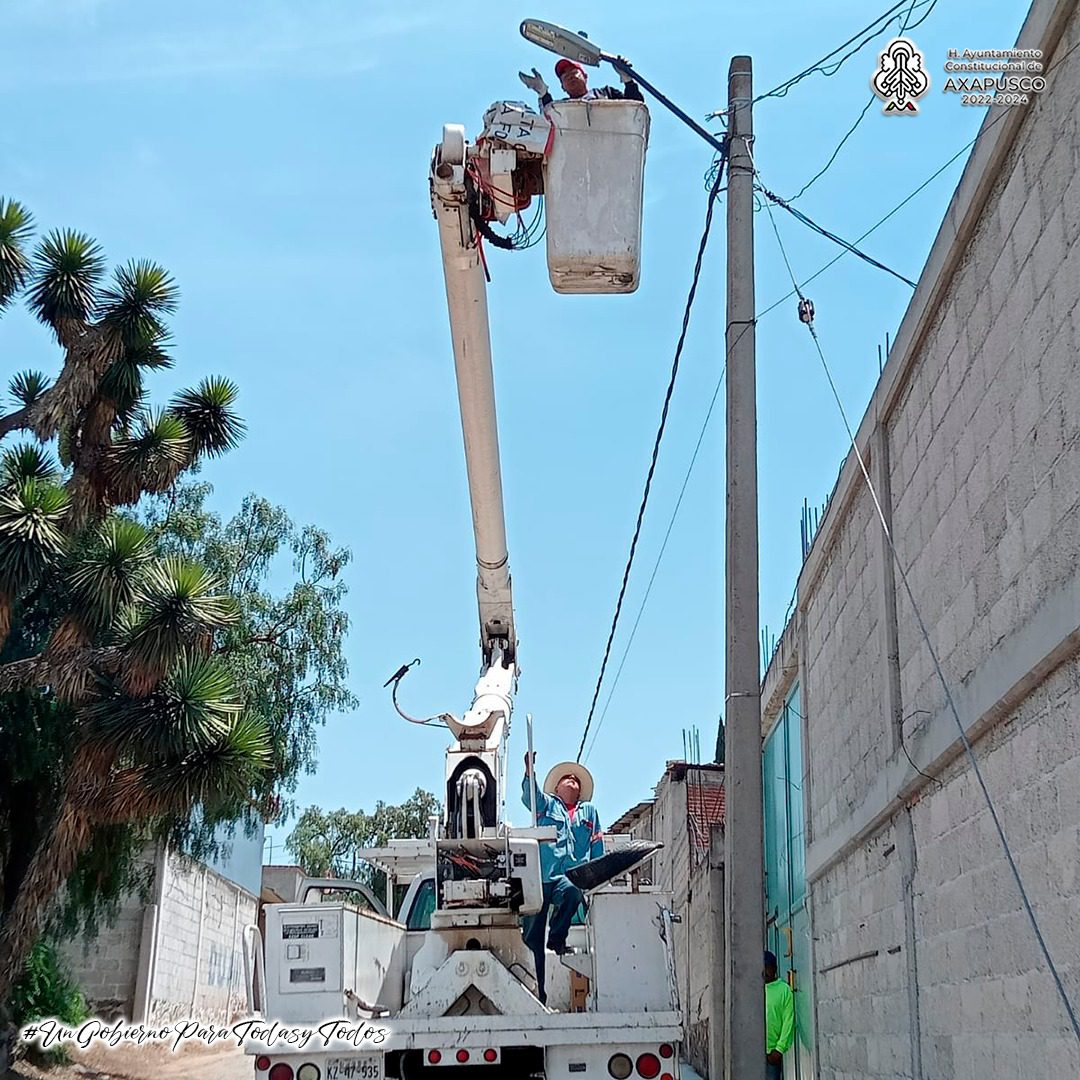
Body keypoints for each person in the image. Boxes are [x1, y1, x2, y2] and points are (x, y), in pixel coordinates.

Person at [521, 753, 603, 1004]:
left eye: (576, 780)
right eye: (566, 779)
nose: (572, 780)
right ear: (556, 788)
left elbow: (597, 845)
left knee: (572, 892)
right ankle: (537, 993)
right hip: (540, 875)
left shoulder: (588, 812)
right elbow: (529, 798)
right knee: (533, 940)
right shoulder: (547, 805)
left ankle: (557, 940)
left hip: (567, 877)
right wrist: (529, 771)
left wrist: (599, 877)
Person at [518, 58, 644, 110]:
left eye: (574, 73)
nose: (571, 78)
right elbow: (549, 118)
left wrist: (627, 80)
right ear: (563, 87)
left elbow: (635, 108)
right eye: (566, 77)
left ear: (585, 77)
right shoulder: (562, 107)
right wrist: (542, 92)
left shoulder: (606, 93)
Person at [764, 950, 795, 1079]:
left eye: (767, 967)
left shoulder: (784, 990)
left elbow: (788, 1020)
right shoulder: (753, 988)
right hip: (752, 1051)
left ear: (774, 968)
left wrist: (779, 1050)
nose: (764, 971)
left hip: (772, 1053)